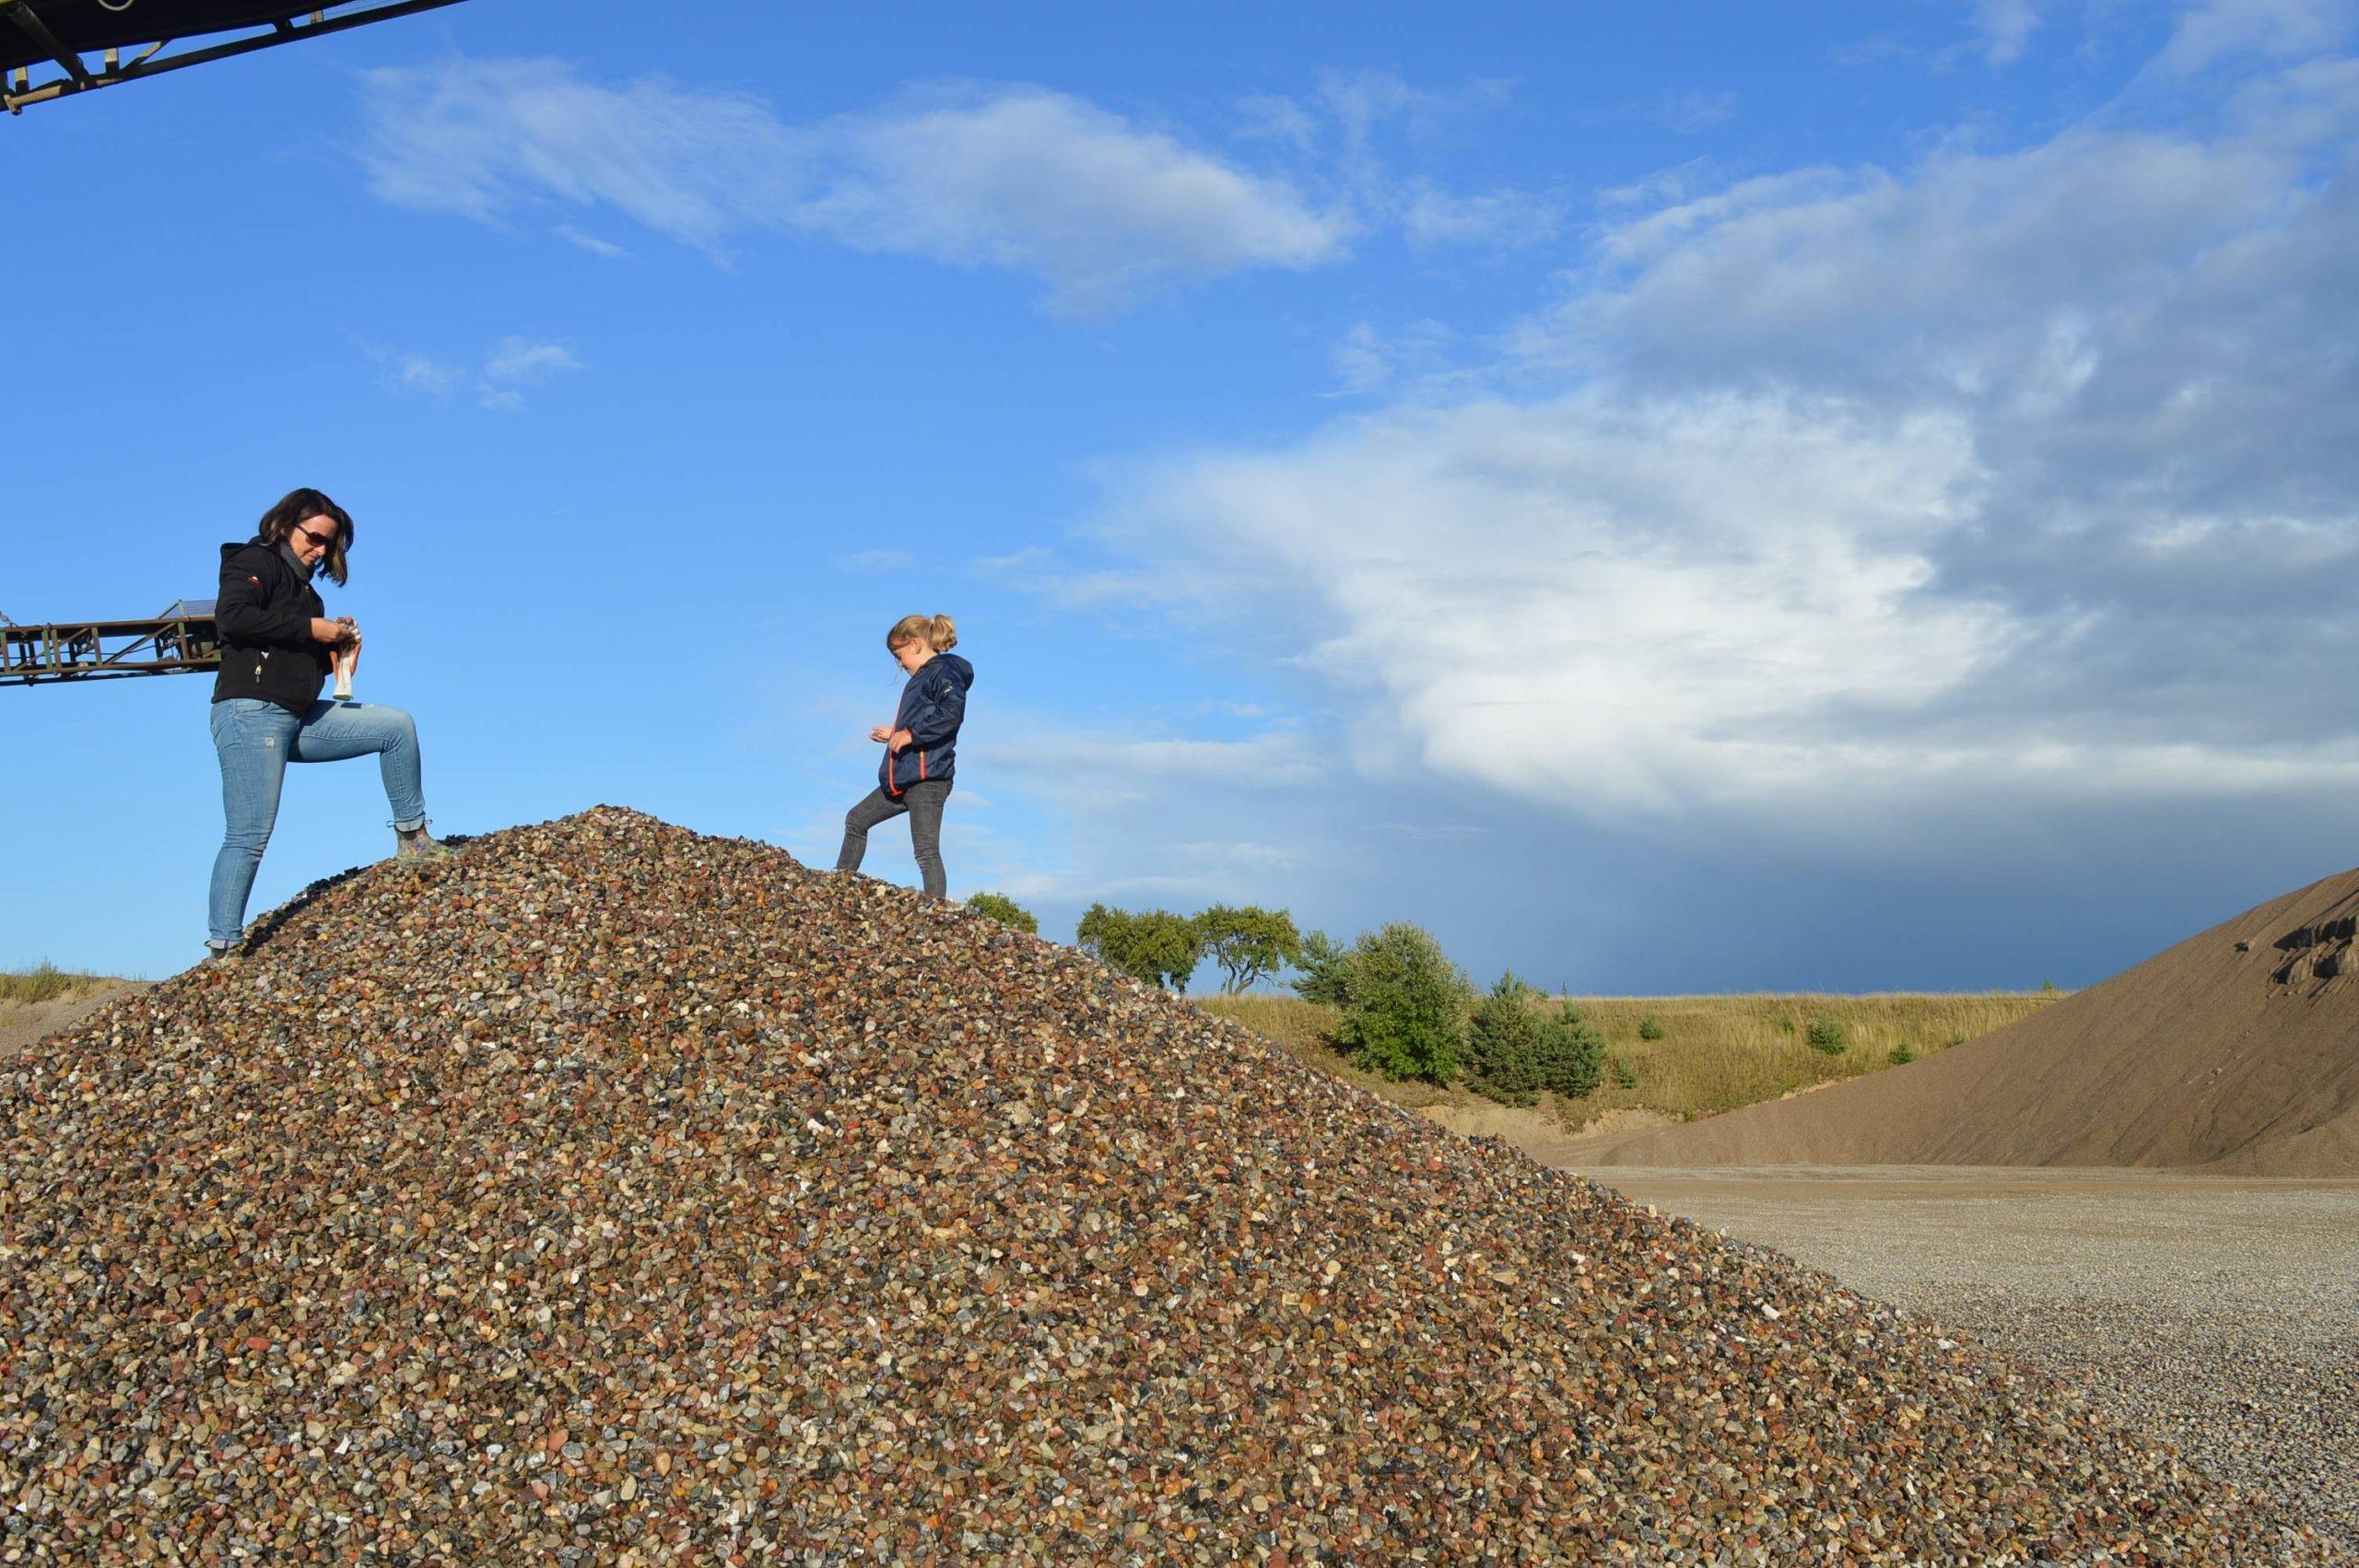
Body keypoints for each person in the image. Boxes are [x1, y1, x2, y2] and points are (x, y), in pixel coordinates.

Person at [204, 487, 445, 964]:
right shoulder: (253, 561)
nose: (319, 552)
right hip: (250, 712)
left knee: (396, 727)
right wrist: (314, 629)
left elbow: (299, 649)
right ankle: (224, 948)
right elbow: (232, 618)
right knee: (249, 835)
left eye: (328, 547)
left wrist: (342, 658)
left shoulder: (308, 595)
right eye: (314, 539)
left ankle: (413, 838)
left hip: (298, 715)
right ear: (284, 524)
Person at [835, 614, 972, 899]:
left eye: (899, 656)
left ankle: (936, 913)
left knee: (926, 850)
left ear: (915, 644)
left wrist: (911, 735)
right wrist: (896, 732)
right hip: (903, 777)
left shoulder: (944, 672)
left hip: (928, 779)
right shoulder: (924, 677)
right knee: (856, 820)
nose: (899, 663)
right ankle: (837, 889)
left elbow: (951, 713)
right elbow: (926, 717)